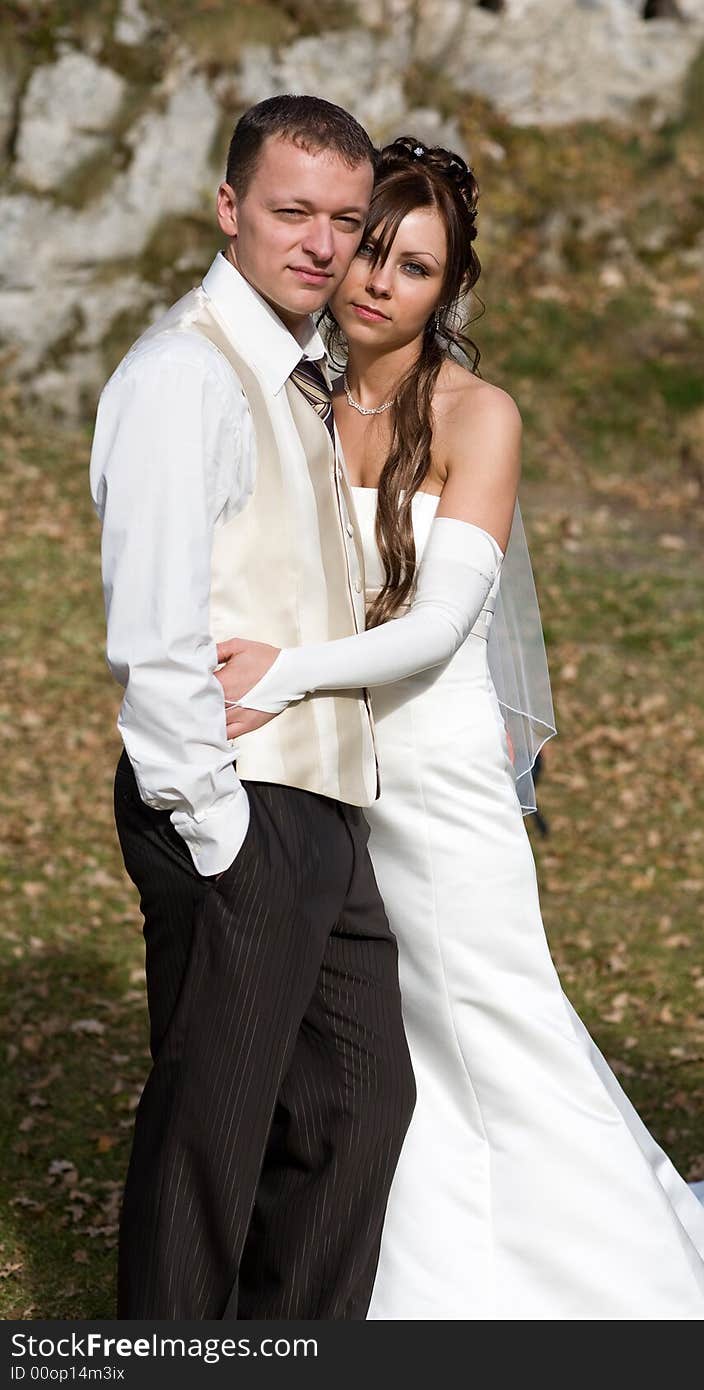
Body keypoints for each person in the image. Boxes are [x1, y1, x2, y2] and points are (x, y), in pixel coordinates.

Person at [215, 139, 704, 1319]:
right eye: (369, 250)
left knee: (495, 1025)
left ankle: (616, 1290)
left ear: (446, 291)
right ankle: (405, 1282)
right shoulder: (299, 398)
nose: (377, 281)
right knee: (381, 1043)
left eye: (414, 268)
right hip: (332, 765)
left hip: (437, 767)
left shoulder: (482, 415)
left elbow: (435, 626)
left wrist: (287, 673)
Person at [88, 96, 416, 1321]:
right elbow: (154, 629)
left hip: (321, 807)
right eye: (293, 212)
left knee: (357, 1105)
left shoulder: (300, 377)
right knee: (212, 1135)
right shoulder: (186, 373)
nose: (324, 244)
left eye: (346, 219)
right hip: (237, 811)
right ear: (229, 209)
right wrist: (216, 831)